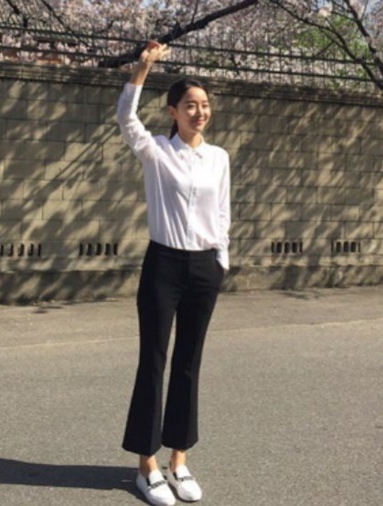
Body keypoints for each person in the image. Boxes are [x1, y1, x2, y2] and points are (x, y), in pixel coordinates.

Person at [117, 41, 231, 506]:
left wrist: (220, 260)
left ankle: (179, 460)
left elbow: (223, 211)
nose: (199, 112)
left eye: (204, 105)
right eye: (190, 105)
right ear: (173, 110)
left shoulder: (219, 157)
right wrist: (142, 70)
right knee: (154, 361)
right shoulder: (157, 151)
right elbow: (126, 118)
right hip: (163, 263)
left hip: (204, 266)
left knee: (189, 363)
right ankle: (147, 464)